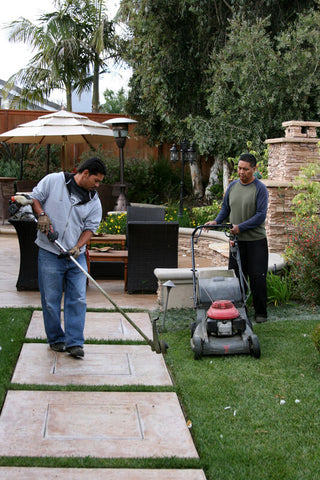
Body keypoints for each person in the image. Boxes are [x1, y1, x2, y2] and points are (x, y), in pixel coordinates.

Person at [30, 157, 107, 357]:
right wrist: (41, 215)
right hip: (50, 251)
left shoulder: (94, 201)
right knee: (50, 300)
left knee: (78, 299)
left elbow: (90, 229)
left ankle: (74, 343)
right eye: (96, 180)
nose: (97, 185)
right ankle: (56, 339)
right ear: (85, 173)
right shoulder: (54, 181)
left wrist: (77, 247)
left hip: (75, 256)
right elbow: (35, 198)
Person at [205, 153, 269, 323]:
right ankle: (239, 311)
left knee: (257, 278)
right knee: (236, 278)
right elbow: (225, 209)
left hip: (256, 242)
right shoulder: (232, 187)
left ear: (254, 169)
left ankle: (261, 313)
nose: (241, 172)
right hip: (236, 242)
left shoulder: (260, 189)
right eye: (239, 168)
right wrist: (217, 220)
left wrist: (240, 227)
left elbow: (261, 216)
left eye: (245, 169)